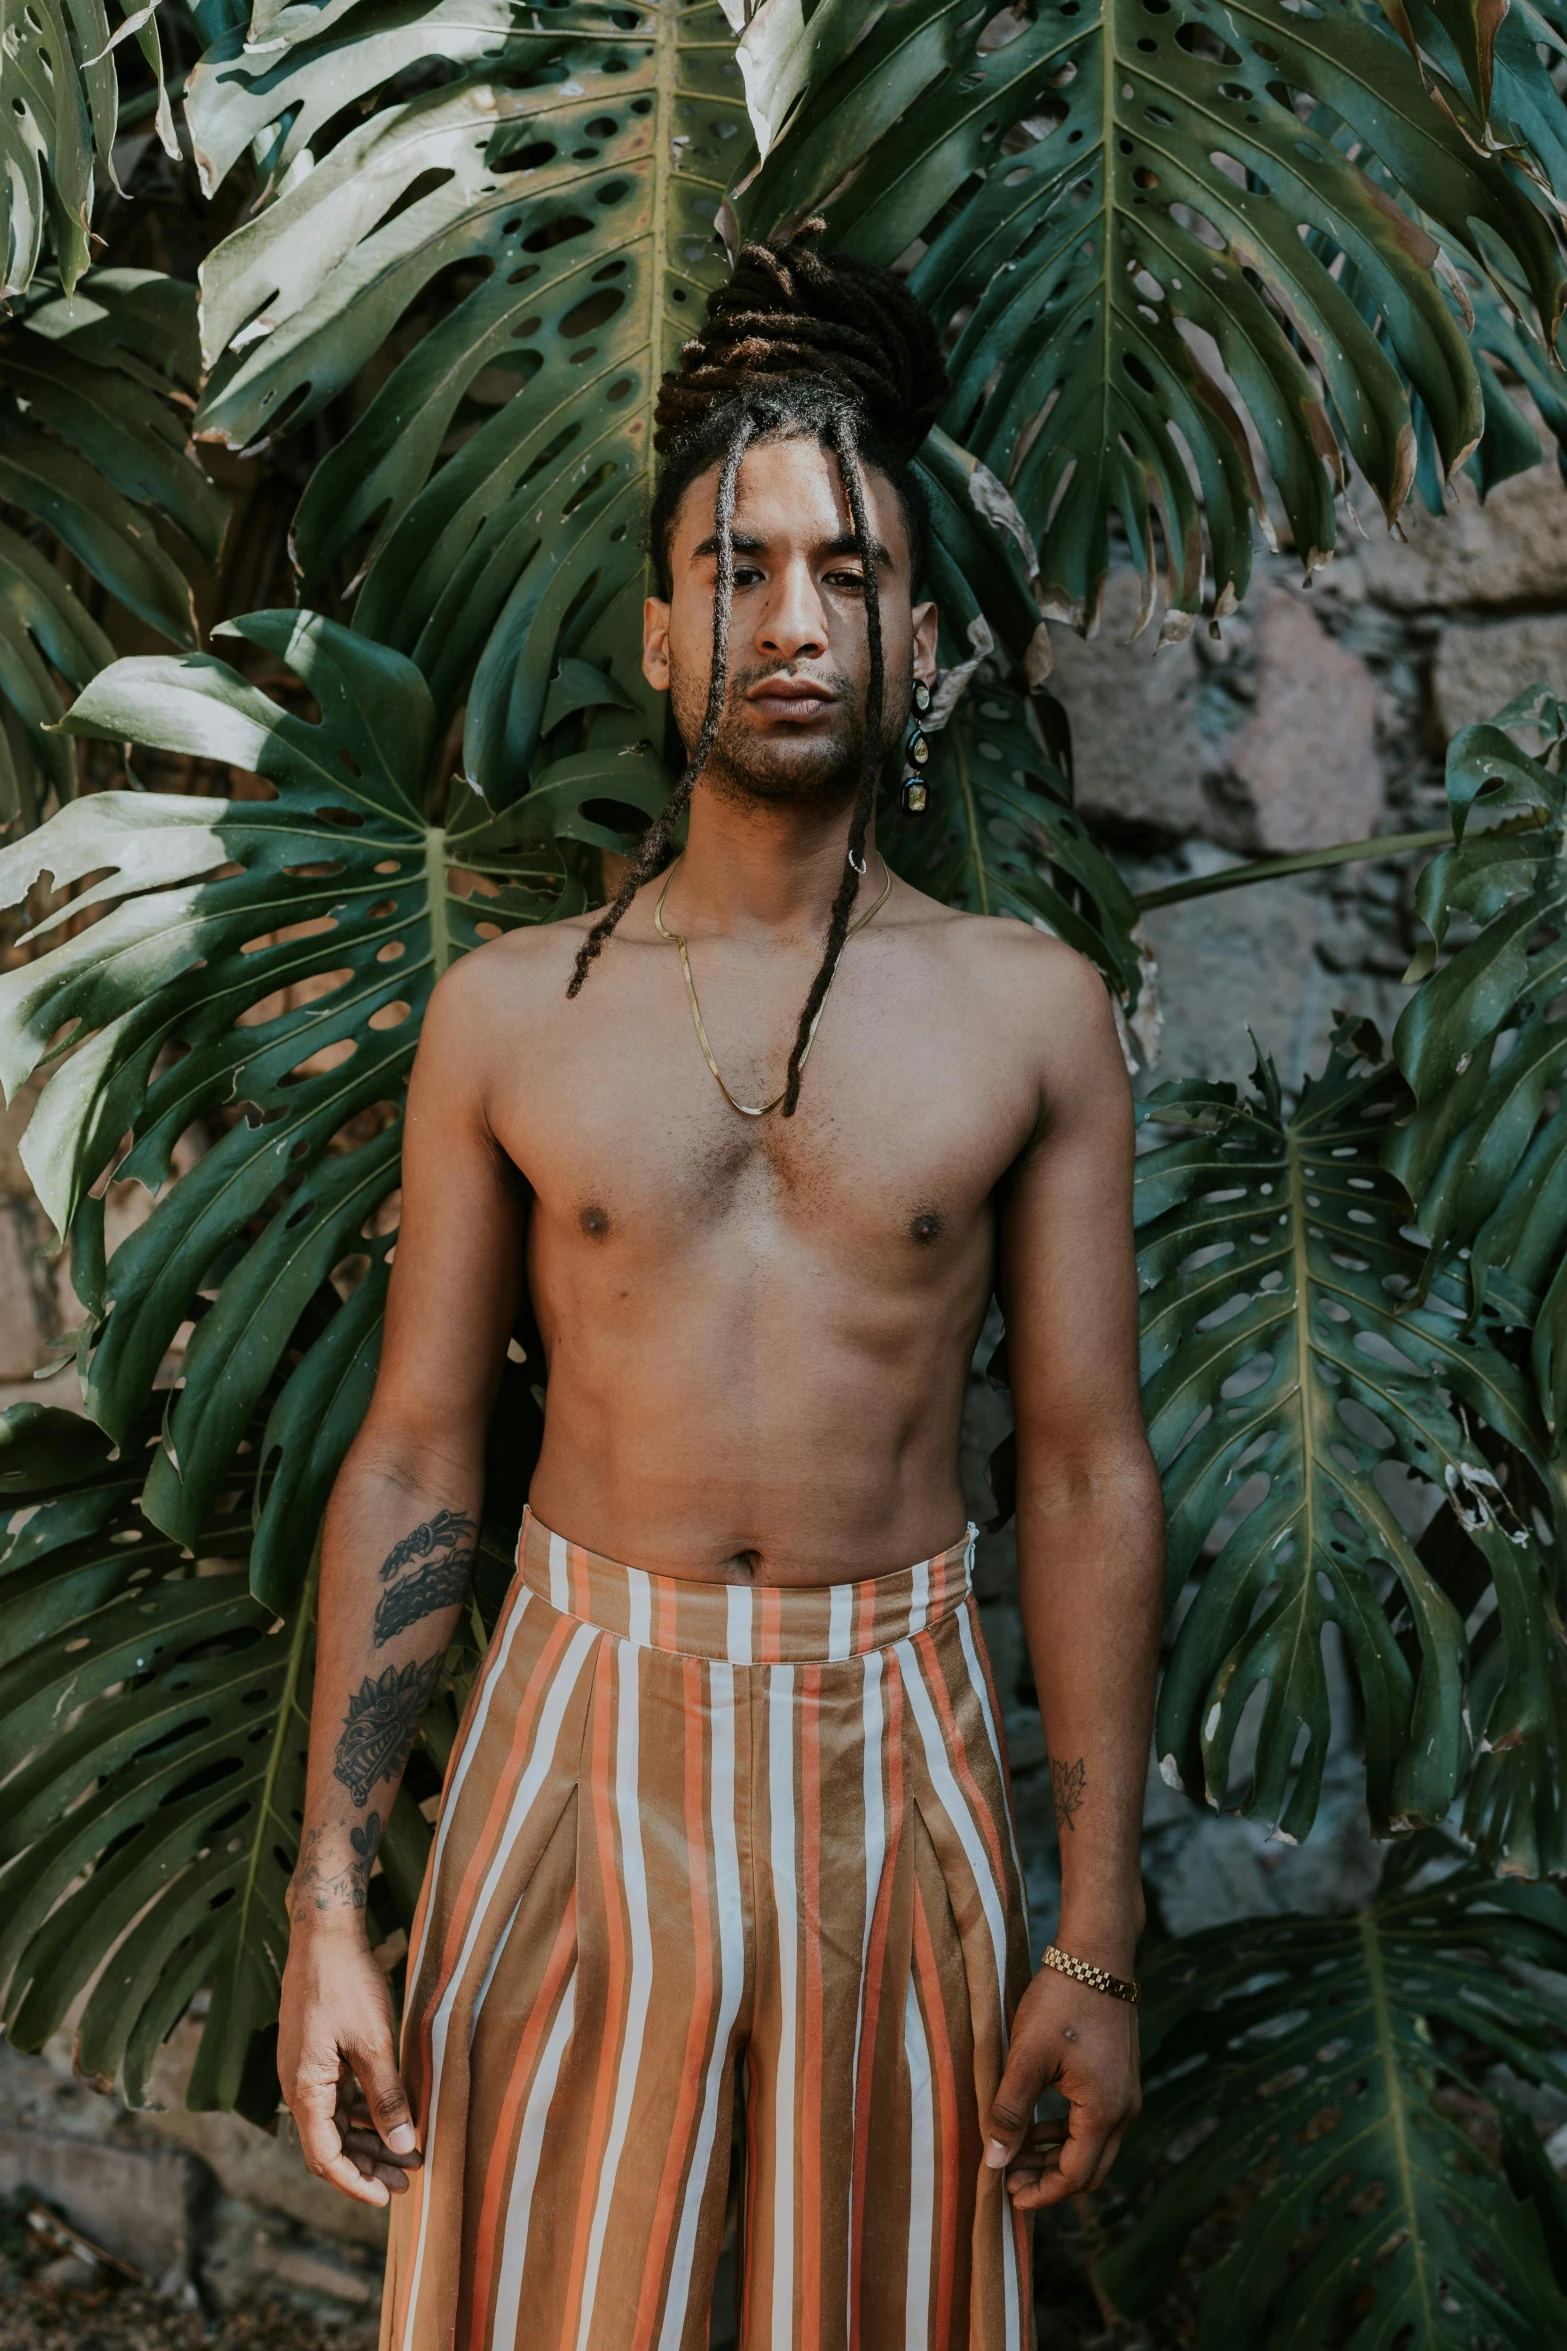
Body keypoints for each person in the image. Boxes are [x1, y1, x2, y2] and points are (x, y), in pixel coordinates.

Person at [277, 230, 1165, 2351]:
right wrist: (331, 1900)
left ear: (922, 641)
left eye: (847, 576)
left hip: (901, 1752)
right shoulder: (511, 1018)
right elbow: (417, 1445)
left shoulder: (1029, 1015)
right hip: (579, 1732)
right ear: (665, 639)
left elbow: (1084, 1464)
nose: (793, 619)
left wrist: (1103, 1937)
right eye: (741, 569)